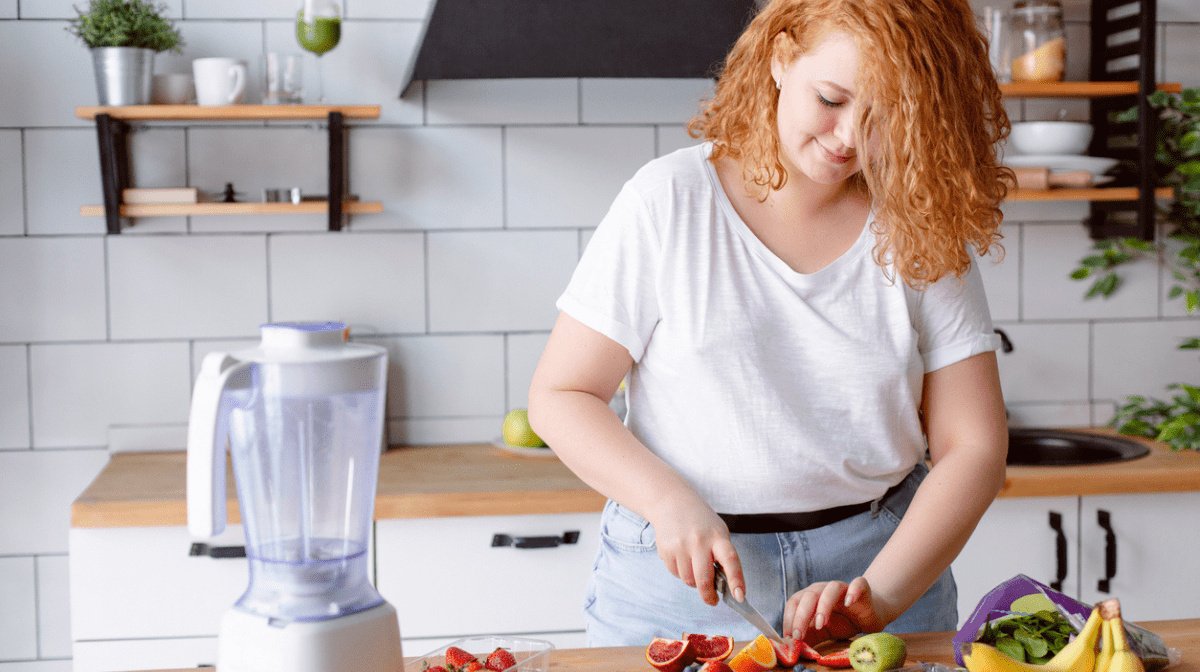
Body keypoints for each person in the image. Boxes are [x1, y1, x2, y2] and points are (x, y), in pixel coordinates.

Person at [528, 0, 1012, 648]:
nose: (848, 138)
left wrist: (881, 594)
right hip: (682, 577)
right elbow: (561, 396)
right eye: (833, 99)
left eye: (883, 115)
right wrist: (668, 500)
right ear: (782, 58)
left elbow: (974, 446)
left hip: (880, 565)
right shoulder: (667, 201)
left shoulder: (920, 224)